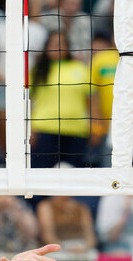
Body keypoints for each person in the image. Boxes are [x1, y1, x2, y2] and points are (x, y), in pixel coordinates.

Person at [29, 30, 95, 168]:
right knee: (42, 177)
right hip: (44, 130)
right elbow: (28, 103)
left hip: (76, 131)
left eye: (61, 43)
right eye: (53, 43)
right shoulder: (37, 71)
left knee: (73, 180)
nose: (57, 47)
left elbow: (92, 100)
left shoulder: (80, 68)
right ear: (46, 47)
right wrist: (29, 130)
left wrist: (96, 127)